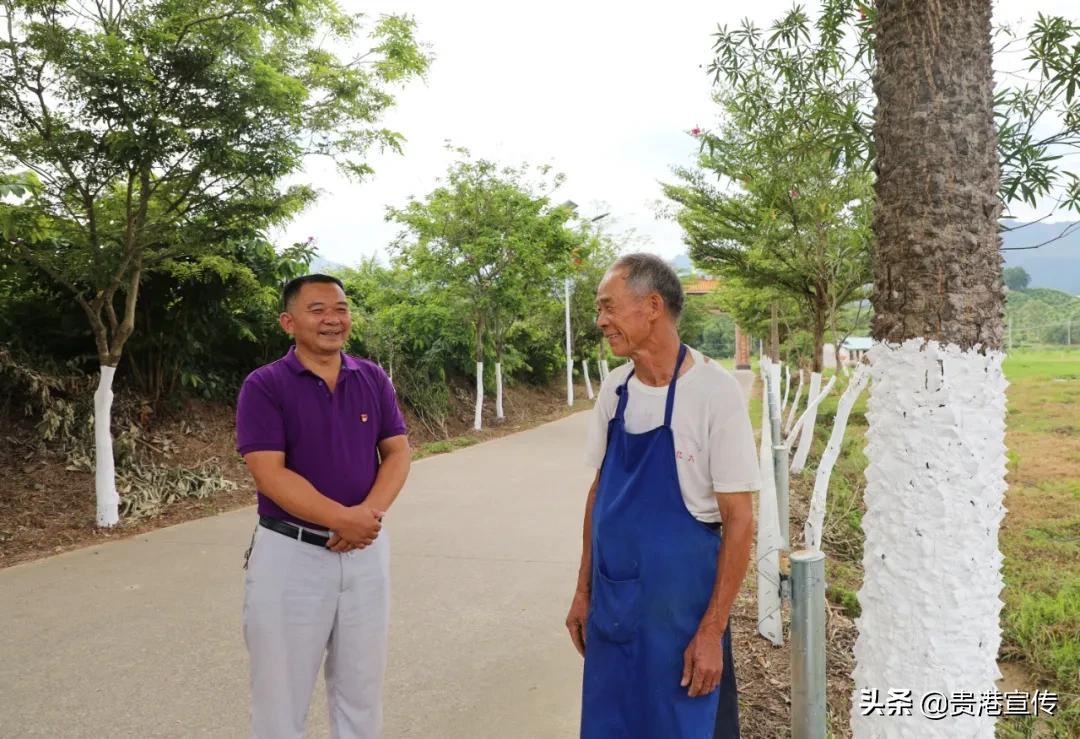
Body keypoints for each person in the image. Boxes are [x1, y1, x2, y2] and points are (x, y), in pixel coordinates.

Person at [566, 254, 761, 738]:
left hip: (680, 614)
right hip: (614, 605)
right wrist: (583, 590)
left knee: (680, 725)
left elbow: (739, 520)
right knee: (612, 725)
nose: (601, 321)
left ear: (652, 306)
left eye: (608, 307)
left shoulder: (714, 392)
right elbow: (598, 496)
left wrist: (712, 631)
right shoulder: (616, 391)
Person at [235, 274, 411, 739]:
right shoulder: (265, 385)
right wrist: (342, 519)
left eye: (341, 308)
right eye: (317, 310)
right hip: (290, 557)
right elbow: (269, 472)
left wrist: (366, 517)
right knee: (280, 701)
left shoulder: (371, 377)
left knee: (361, 693)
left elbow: (397, 451)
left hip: (365, 552)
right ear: (288, 322)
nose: (333, 319)